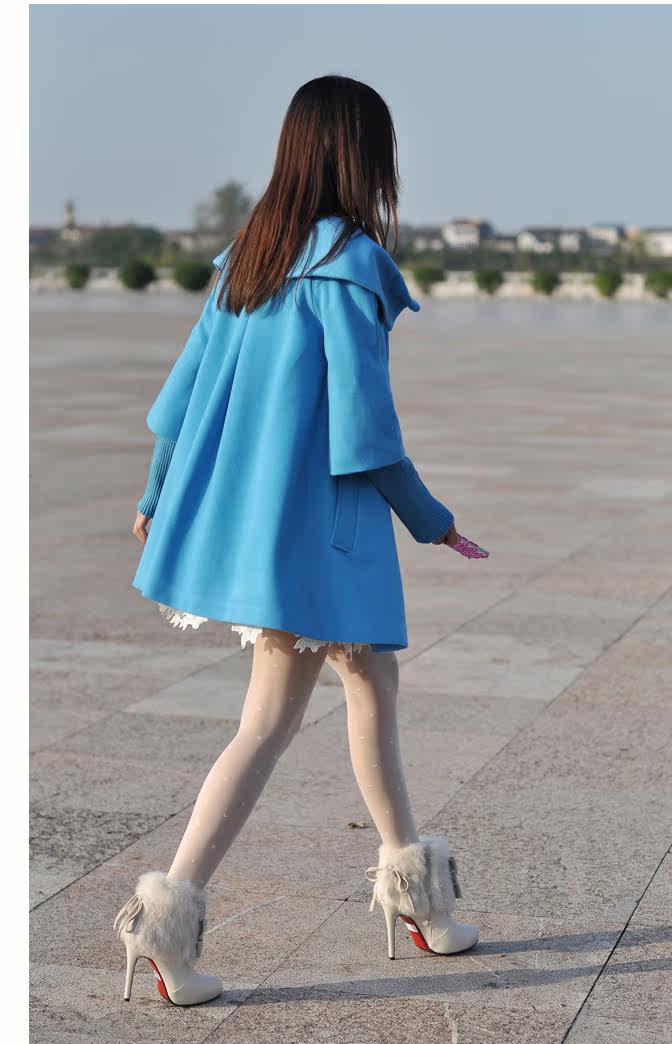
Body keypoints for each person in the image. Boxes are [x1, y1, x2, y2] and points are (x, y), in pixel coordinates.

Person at [114, 74, 479, 1007]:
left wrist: (156, 491)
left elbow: (182, 394)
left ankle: (421, 902)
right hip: (330, 531)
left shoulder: (250, 258)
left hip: (276, 529)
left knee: (367, 685)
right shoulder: (350, 266)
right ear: (365, 157)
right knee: (272, 722)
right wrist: (431, 519)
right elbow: (367, 431)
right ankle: (166, 922)